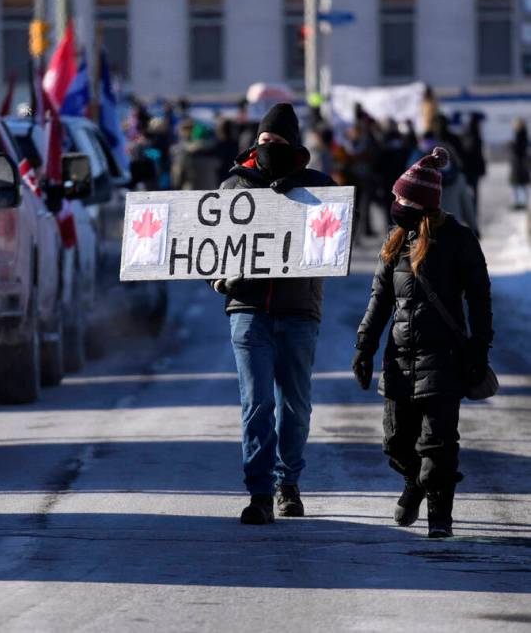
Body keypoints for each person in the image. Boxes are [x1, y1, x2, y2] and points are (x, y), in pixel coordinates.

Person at [353, 147, 492, 538]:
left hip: (442, 359)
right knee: (396, 442)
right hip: (399, 359)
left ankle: (439, 517)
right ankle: (414, 483)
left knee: (438, 445)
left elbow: (480, 297)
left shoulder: (458, 241)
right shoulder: (395, 243)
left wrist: (480, 347)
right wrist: (364, 347)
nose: (395, 204)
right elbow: (379, 299)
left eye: (401, 199)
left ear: (422, 205)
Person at [211, 103, 338, 525]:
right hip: (248, 311)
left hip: (300, 312)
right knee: (257, 403)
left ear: (294, 145)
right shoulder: (234, 187)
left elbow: (336, 241)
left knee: (295, 406)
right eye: (265, 141)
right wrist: (219, 280)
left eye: (279, 142)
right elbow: (207, 247)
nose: (270, 147)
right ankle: (260, 493)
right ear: (255, 143)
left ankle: (288, 484)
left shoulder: (319, 188)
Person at [459, 113, 486, 218]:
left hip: (467, 170)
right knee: (473, 194)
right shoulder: (476, 136)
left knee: (467, 194)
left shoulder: (465, 135)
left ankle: (468, 214)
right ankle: (472, 214)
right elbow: (478, 155)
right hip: (473, 170)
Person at [509, 119, 530, 210]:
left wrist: (511, 145)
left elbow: (517, 150)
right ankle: (520, 202)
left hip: (519, 165)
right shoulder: (523, 134)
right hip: (520, 165)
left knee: (518, 184)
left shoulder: (520, 135)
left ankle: (519, 203)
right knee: (520, 184)